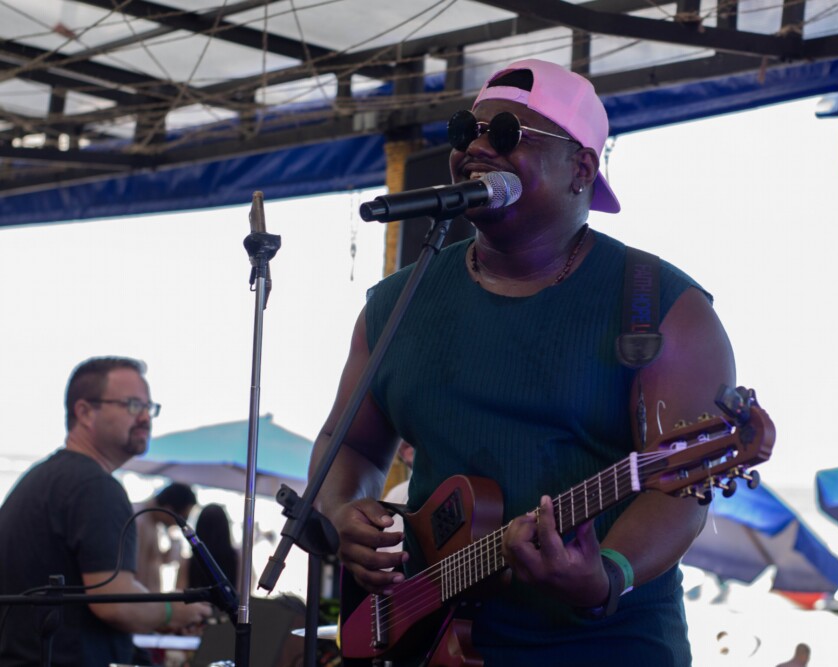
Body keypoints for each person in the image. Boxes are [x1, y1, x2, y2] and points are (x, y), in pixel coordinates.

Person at [309, 58, 736, 666]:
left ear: (581, 168)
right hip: (427, 637)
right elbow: (347, 445)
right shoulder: (398, 302)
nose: (476, 148)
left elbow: (683, 489)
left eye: (508, 134)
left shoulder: (664, 306)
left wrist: (607, 574)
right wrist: (343, 511)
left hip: (606, 649)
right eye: (466, 131)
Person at [0, 357, 213, 667]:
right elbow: (114, 603)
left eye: (149, 407)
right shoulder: (94, 487)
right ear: (85, 412)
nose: (145, 417)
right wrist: (173, 611)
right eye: (132, 405)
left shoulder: (45, 478)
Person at [133, 482, 198, 592]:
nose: (180, 523)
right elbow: (136, 569)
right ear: (169, 509)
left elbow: (165, 560)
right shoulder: (138, 520)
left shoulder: (154, 523)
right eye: (183, 517)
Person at [176, 504, 239, 594]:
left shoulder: (188, 563)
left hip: (195, 603)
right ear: (225, 529)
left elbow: (179, 593)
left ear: (199, 528)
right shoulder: (238, 559)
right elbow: (243, 592)